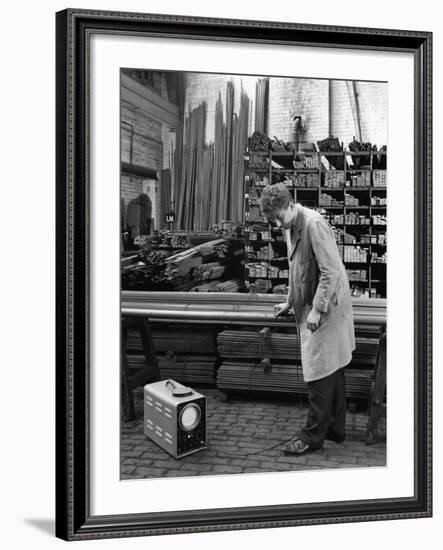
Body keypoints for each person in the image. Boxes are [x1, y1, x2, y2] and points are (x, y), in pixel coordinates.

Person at [259, 183, 355, 455]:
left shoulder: (313, 225)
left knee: (318, 370)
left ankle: (313, 436)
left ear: (291, 205)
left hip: (328, 307)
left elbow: (331, 272)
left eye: (279, 217)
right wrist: (290, 301)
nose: (278, 224)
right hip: (315, 304)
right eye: (273, 220)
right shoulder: (291, 227)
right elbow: (296, 268)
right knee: (333, 368)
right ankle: (336, 429)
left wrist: (316, 309)